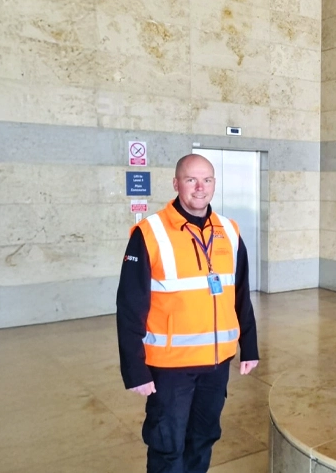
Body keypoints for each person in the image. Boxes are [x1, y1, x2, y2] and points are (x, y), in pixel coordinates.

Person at [116, 154, 259, 472]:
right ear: (176, 183)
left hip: (216, 363)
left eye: (207, 180)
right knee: (167, 444)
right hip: (170, 368)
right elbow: (129, 306)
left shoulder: (229, 231)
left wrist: (249, 346)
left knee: (203, 438)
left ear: (214, 184)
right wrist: (134, 369)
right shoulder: (149, 232)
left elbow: (240, 294)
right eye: (191, 179)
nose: (200, 188)